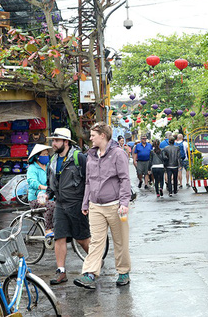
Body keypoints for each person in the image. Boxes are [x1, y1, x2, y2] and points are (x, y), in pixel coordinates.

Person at [74, 122, 132, 289]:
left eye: (93, 135)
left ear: (103, 136)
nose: (90, 138)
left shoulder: (118, 154)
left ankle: (123, 272)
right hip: (95, 206)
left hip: (115, 206)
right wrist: (85, 202)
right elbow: (88, 182)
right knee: (96, 242)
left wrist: (124, 202)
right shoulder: (91, 155)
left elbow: (124, 179)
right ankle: (90, 274)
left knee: (120, 241)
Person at [45, 128, 90, 285]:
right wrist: (47, 195)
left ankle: (95, 262)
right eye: (53, 140)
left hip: (76, 204)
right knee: (59, 237)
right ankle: (61, 272)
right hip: (60, 204)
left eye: (57, 140)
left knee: (82, 238)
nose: (53, 143)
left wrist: (87, 202)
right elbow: (50, 182)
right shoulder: (52, 160)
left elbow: (89, 181)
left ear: (66, 142)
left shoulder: (79, 158)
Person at [27, 144, 55, 236]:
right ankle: (48, 229)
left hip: (49, 196)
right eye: (43, 154)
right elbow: (32, 182)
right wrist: (45, 187)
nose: (46, 156)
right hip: (36, 199)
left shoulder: (49, 166)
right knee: (51, 205)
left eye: (47, 154)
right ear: (37, 157)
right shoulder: (32, 168)